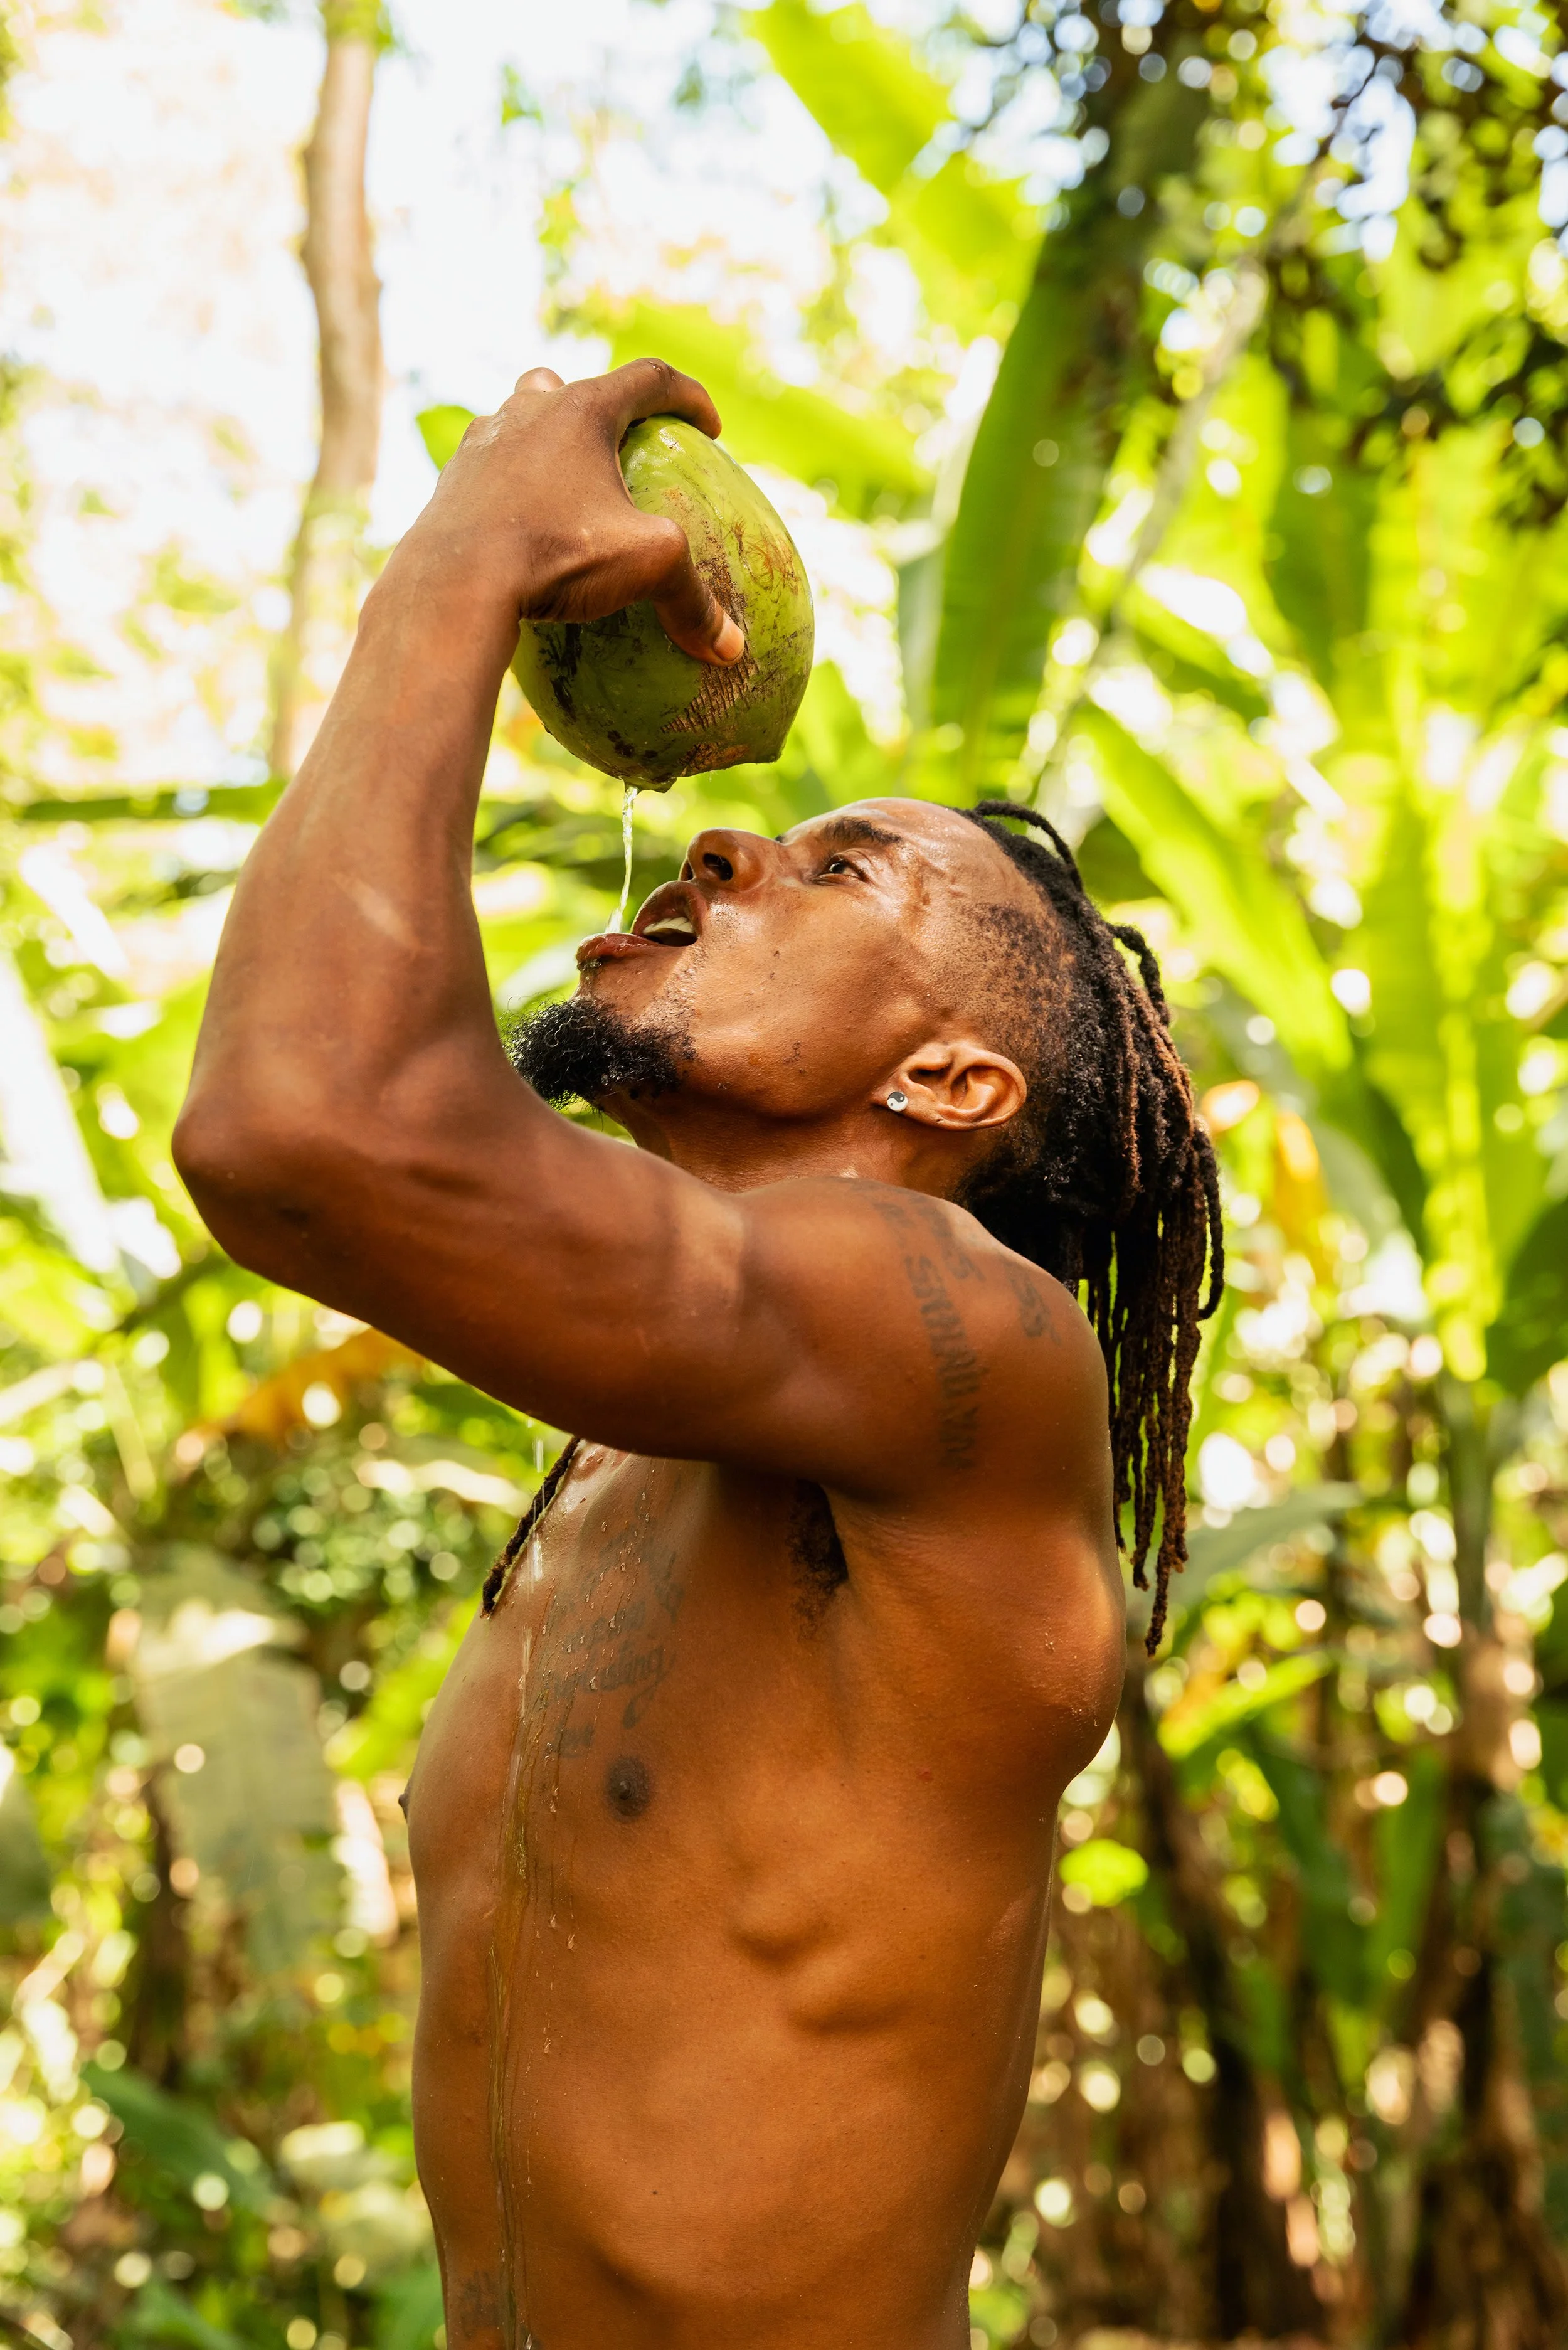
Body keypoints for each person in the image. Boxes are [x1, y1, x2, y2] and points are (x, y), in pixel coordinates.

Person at [174, 358, 1222, 2350]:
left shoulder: (965, 1339)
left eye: (840, 873)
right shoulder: (627, 1442)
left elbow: (300, 1128)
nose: (725, 853)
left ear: (951, 1076)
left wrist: (470, 560)